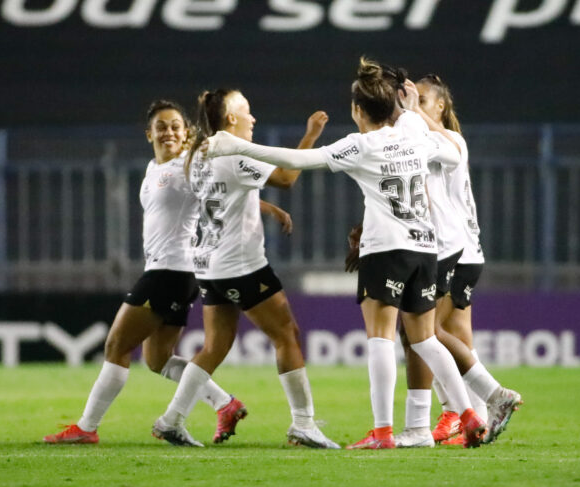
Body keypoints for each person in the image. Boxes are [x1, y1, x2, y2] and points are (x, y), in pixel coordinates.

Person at [204, 58, 489, 449]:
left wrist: (235, 145)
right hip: (425, 248)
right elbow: (454, 156)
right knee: (425, 341)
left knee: (381, 339)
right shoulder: (413, 130)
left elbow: (297, 161)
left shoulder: (360, 145)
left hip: (386, 250)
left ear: (357, 110)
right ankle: (468, 414)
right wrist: (411, 113)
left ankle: (383, 433)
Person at [43, 100, 290, 445]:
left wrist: (266, 207)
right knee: (157, 359)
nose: (169, 131)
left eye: (176, 125)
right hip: (175, 273)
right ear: (149, 134)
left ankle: (86, 427)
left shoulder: (188, 166)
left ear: (186, 132)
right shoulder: (152, 168)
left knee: (116, 345)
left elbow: (223, 191)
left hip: (170, 272)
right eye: (161, 126)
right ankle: (225, 403)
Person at [150, 89, 340, 449]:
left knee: (215, 346)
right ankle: (304, 424)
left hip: (207, 264)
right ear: (231, 118)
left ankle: (171, 420)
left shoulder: (198, 153)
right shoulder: (235, 153)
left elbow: (225, 195)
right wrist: (311, 136)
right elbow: (286, 178)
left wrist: (267, 210)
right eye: (247, 111)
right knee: (287, 335)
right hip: (241, 266)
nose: (253, 118)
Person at [348, 74, 522, 447]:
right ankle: (463, 416)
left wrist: (409, 112)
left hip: (447, 247)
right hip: (455, 248)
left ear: (440, 107)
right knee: (445, 336)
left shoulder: (446, 140)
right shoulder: (422, 141)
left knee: (425, 335)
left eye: (423, 100)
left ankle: (478, 403)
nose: (413, 106)